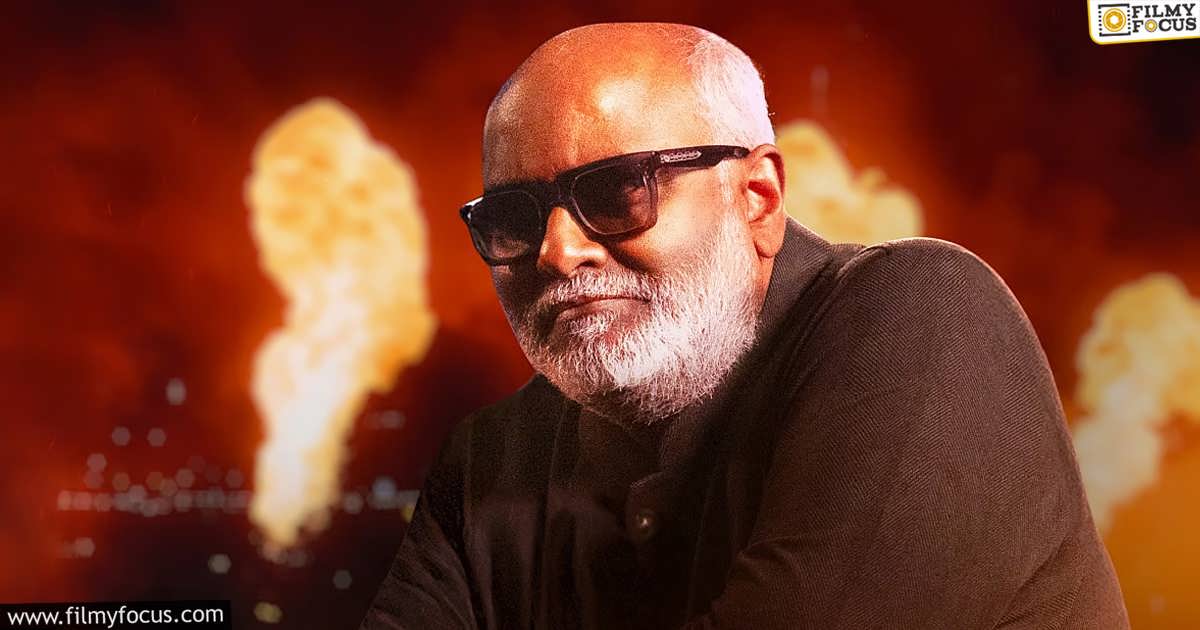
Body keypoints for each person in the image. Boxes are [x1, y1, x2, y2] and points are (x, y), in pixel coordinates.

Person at [361, 23, 1129, 629]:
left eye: (619, 190)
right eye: (512, 217)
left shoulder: (925, 317)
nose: (558, 252)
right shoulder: (488, 458)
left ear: (757, 199)